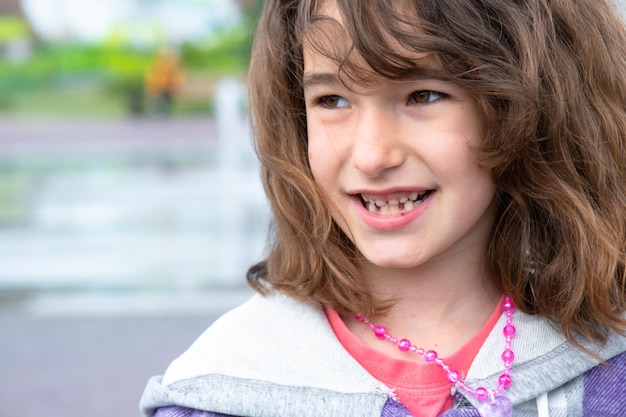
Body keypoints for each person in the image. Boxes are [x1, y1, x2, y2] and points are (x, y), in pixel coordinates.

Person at [140, 0, 626, 416]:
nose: (372, 156)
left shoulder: (611, 370)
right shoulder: (218, 391)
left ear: (533, 105)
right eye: (331, 99)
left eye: (424, 94)